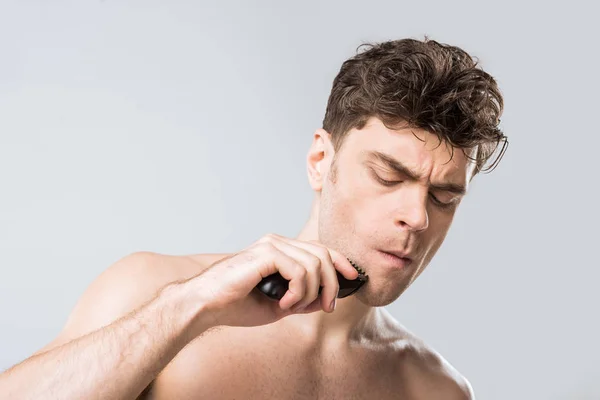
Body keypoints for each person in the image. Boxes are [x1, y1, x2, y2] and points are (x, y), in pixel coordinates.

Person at [0, 37, 507, 399]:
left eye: (443, 198)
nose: (417, 217)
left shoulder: (433, 390)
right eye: (387, 176)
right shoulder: (154, 292)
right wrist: (188, 309)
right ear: (320, 162)